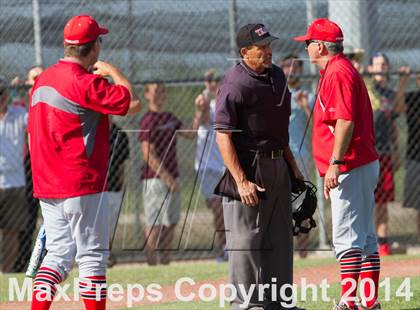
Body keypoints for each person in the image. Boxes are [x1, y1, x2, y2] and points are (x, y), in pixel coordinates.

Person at [28, 15, 140, 310]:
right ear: (93, 48)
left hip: (46, 184)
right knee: (92, 257)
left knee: (57, 256)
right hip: (81, 182)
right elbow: (130, 101)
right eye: (99, 42)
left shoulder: (42, 79)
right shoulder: (84, 82)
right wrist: (113, 71)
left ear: (67, 46)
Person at [215, 24, 304, 310]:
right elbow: (223, 135)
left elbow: (278, 130)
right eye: (261, 47)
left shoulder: (277, 76)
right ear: (244, 52)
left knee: (279, 237)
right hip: (249, 166)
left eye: (269, 44)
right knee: (246, 239)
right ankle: (246, 304)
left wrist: (293, 167)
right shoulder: (234, 82)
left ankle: (279, 303)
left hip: (278, 162)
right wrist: (241, 181)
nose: (268, 50)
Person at [294, 18, 381, 309]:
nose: (306, 48)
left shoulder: (338, 72)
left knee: (347, 236)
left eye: (308, 43)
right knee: (365, 236)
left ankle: (349, 302)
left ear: (320, 46)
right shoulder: (338, 70)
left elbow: (344, 121)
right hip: (358, 162)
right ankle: (369, 302)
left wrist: (335, 162)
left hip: (350, 164)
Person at [139, 82, 205, 266]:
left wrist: (199, 112)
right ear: (146, 95)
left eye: (162, 91)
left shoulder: (169, 117)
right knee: (155, 223)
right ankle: (152, 265)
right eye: (155, 91)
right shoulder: (147, 120)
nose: (160, 94)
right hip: (155, 180)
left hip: (172, 179)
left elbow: (191, 133)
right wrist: (167, 179)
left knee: (171, 222)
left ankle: (165, 262)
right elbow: (147, 154)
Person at [366, 52, 410, 256]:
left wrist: (402, 83)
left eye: (385, 64)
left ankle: (382, 245)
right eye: (378, 64)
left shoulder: (390, 94)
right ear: (371, 69)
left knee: (382, 201)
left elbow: (397, 114)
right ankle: (366, 242)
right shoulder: (366, 89)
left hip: (384, 152)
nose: (382, 67)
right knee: (365, 200)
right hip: (366, 153)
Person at [279, 54, 314, 259]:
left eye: (295, 67)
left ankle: (303, 252)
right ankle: (285, 251)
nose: (290, 70)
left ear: (301, 70)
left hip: (301, 155)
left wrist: (305, 107)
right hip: (280, 156)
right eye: (286, 67)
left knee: (302, 204)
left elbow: (318, 124)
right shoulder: (276, 93)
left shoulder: (306, 95)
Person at [194, 69, 226, 262]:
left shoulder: (225, 103)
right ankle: (224, 247)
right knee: (217, 207)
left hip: (225, 164)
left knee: (226, 209)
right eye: (208, 80)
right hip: (207, 167)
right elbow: (202, 120)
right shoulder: (203, 101)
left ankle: (229, 247)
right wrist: (202, 108)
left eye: (215, 80)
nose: (212, 83)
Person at [14, 65, 44, 272]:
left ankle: (44, 259)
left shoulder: (47, 101)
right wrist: (16, 91)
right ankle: (22, 261)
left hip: (46, 163)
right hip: (26, 165)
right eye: (34, 78)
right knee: (27, 217)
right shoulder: (20, 107)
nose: (38, 80)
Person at [0, 76, 29, 273]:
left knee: (12, 231)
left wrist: (19, 92)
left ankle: (6, 272)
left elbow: (36, 115)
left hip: (15, 182)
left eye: (2, 91)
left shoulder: (19, 113)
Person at [107, 117, 131, 267]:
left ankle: (105, 255)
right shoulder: (93, 131)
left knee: (109, 226)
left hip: (114, 187)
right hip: (95, 188)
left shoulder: (120, 135)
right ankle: (103, 256)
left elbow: (122, 165)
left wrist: (120, 185)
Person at [399, 73, 420, 241]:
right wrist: (402, 82)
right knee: (418, 206)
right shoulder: (413, 97)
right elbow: (398, 108)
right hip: (415, 156)